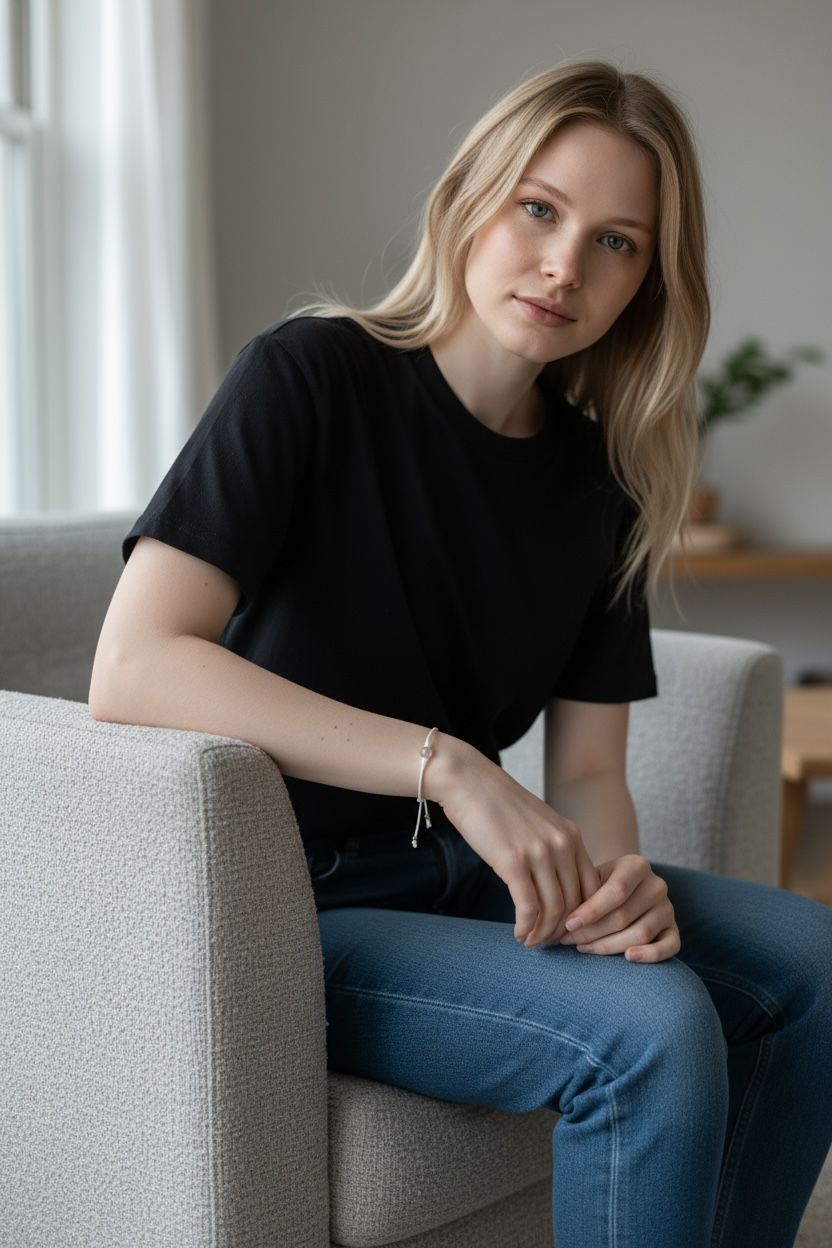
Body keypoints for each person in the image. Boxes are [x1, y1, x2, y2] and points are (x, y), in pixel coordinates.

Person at [89, 58, 832, 1248]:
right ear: (467, 201)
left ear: (645, 283)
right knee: (651, 1033)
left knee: (811, 962)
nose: (563, 264)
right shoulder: (308, 377)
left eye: (616, 243)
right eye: (539, 209)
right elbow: (133, 666)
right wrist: (454, 767)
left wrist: (617, 889)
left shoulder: (602, 488)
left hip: (471, 889)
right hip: (286, 903)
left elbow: (588, 770)